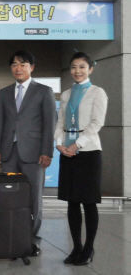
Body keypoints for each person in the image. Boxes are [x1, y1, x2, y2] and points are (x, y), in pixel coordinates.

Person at [0, 50, 57, 256]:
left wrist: (47, 151)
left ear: (32, 67)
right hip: (9, 153)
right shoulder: (4, 92)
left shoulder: (44, 91)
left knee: (33, 199)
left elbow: (50, 123)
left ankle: (32, 240)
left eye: (23, 64)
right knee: (8, 197)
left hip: (34, 154)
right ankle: (11, 238)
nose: (18, 68)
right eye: (14, 64)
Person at [54, 52, 107, 266]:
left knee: (89, 202)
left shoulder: (98, 93)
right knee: (72, 202)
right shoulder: (66, 94)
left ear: (90, 69)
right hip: (67, 152)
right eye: (74, 67)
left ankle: (88, 248)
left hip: (89, 152)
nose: (77, 71)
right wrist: (59, 143)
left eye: (82, 67)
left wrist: (78, 144)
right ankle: (76, 246)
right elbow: (60, 122)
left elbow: (97, 123)